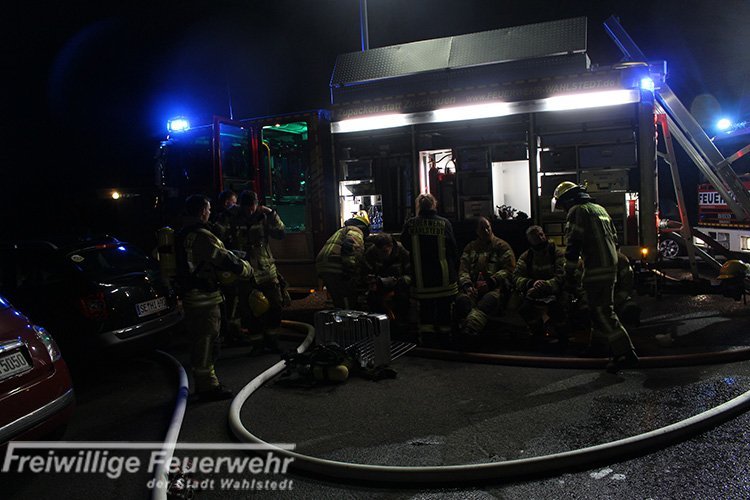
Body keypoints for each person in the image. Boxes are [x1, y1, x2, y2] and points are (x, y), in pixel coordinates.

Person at [552, 181, 638, 373]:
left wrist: (569, 274)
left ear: (568, 200)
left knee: (602, 312)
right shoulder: (600, 209)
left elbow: (573, 245)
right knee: (597, 310)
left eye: (562, 205)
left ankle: (626, 353)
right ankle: (598, 347)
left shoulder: (577, 211)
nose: (563, 209)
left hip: (596, 270)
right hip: (610, 268)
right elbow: (615, 240)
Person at [175, 194, 253, 401]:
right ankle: (207, 386)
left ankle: (207, 382)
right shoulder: (201, 235)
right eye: (208, 209)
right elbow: (221, 257)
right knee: (207, 340)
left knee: (202, 340)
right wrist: (244, 268)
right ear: (202, 211)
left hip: (193, 296)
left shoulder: (183, 233)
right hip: (204, 298)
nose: (210, 212)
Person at [230, 190, 286, 352]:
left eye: (252, 207)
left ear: (257, 204)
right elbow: (220, 236)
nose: (249, 211)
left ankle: (272, 339)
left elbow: (281, 233)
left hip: (266, 269)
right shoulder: (232, 218)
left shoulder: (264, 217)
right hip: (245, 271)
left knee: (275, 304)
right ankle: (257, 343)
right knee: (248, 309)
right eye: (246, 208)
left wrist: (272, 214)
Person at [401, 193, 458, 344]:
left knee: (426, 312)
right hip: (444, 280)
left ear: (418, 206)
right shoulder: (444, 223)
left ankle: (428, 341)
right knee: (444, 311)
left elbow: (405, 244)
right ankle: (445, 341)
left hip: (422, 281)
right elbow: (453, 249)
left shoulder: (411, 224)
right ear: (434, 205)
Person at [454, 216, 516, 339]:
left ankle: (469, 331)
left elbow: (509, 269)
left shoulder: (502, 246)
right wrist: (467, 286)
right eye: (482, 229)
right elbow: (463, 269)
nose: (487, 231)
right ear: (477, 231)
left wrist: (490, 283)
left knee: (487, 303)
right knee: (462, 302)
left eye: (488, 227)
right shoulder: (470, 247)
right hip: (472, 289)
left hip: (495, 289)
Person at [512, 225, 567, 344]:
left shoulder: (556, 252)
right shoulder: (527, 256)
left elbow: (562, 276)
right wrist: (531, 283)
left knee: (558, 310)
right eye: (536, 237)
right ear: (530, 240)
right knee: (524, 309)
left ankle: (563, 337)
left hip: (555, 291)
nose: (541, 238)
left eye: (541, 234)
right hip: (534, 291)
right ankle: (537, 333)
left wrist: (544, 285)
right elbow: (516, 277)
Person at [316, 211, 370, 309]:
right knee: (347, 297)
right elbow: (350, 247)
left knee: (338, 298)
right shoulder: (356, 231)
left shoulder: (342, 230)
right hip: (335, 265)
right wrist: (349, 270)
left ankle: (340, 314)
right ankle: (348, 315)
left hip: (323, 265)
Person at [362, 232, 413, 331]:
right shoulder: (371, 253)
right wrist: (371, 281)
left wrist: (399, 281)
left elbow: (411, 274)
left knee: (402, 300)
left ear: (391, 246)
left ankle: (401, 328)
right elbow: (364, 272)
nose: (381, 255)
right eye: (379, 252)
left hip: (399, 287)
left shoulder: (402, 252)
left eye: (384, 251)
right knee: (372, 300)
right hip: (379, 287)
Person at [614, 249, 641, 327]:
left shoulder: (621, 260)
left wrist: (616, 301)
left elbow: (626, 288)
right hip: (599, 300)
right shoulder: (621, 259)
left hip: (615, 299)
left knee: (630, 309)